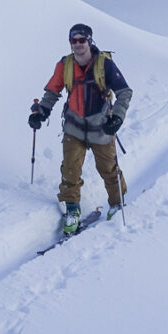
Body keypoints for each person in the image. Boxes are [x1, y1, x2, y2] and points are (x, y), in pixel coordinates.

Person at [29, 23, 132, 235]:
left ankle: (116, 203)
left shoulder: (105, 65)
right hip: (74, 126)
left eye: (82, 40)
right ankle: (72, 209)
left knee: (108, 169)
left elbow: (124, 92)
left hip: (101, 126)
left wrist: (118, 117)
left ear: (90, 41)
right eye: (73, 40)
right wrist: (41, 112)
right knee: (70, 169)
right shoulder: (65, 65)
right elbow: (53, 91)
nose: (78, 45)